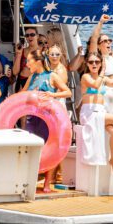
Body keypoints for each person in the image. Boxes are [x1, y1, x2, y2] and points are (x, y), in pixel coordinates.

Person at [20, 49, 72, 192]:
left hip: (48, 118)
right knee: (29, 149)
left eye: (29, 60)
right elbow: (22, 93)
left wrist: (52, 94)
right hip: (33, 117)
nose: (27, 63)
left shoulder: (52, 76)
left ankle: (47, 183)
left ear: (38, 61)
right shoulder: (32, 77)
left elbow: (68, 92)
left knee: (49, 149)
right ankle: (29, 180)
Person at [12, 26, 40, 91]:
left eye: (32, 35)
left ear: (37, 36)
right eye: (27, 35)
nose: (29, 37)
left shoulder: (42, 52)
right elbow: (15, 72)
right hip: (21, 83)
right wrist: (19, 54)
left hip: (35, 84)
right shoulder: (22, 51)